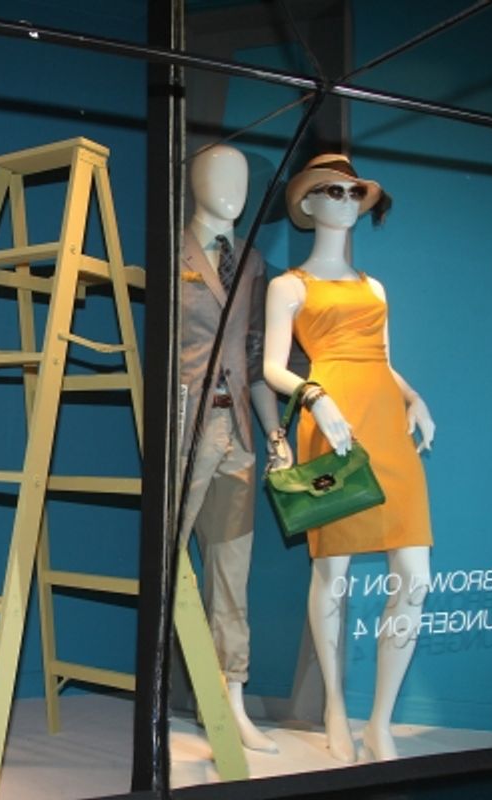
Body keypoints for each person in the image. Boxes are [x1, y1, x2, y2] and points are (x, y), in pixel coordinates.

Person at [262, 153, 435, 763]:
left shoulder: (373, 287)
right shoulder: (290, 286)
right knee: (332, 575)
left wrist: (414, 399)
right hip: (331, 423)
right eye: (331, 190)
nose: (344, 198)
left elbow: (384, 359)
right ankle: (335, 704)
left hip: (388, 423)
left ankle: (379, 721)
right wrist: (315, 398)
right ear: (307, 204)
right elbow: (272, 367)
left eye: (352, 190)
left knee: (415, 577)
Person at [175, 144, 289, 753]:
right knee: (167, 566)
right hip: (188, 429)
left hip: (240, 431)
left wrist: (274, 433)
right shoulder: (173, 251)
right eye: (220, 175)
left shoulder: (251, 261)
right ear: (194, 181)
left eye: (243, 179)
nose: (233, 188)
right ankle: (164, 694)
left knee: (231, 574)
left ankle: (232, 699)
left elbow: (250, 356)